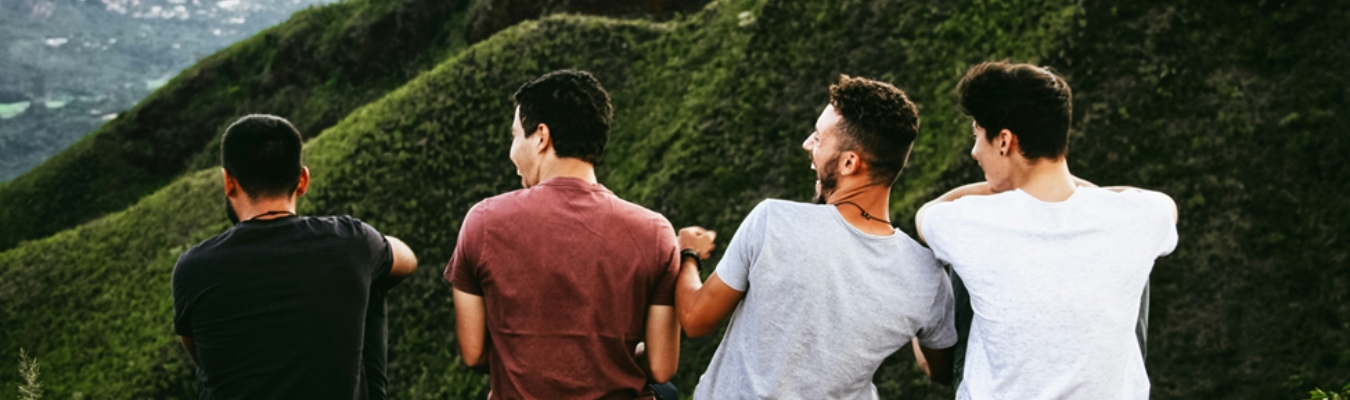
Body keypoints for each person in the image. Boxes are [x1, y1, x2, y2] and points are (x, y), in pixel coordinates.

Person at [676, 75, 957, 399]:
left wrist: (689, 255)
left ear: (850, 162)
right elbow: (942, 371)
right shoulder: (927, 277)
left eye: (819, 138)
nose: (807, 144)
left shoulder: (773, 222)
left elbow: (694, 319)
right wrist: (908, 311)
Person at [915, 61, 1178, 399]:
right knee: (1132, 264)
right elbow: (1165, 206)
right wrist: (1078, 188)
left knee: (943, 268)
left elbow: (927, 216)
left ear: (1005, 141)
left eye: (977, 135)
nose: (974, 152)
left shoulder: (972, 221)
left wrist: (996, 188)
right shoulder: (1133, 217)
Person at [446, 70, 681, 399]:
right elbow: (661, 366)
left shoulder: (483, 222)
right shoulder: (655, 232)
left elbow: (474, 353)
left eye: (516, 136)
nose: (512, 152)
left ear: (541, 136)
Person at [171, 114, 419, 399]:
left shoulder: (193, 268)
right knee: (374, 278)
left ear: (229, 182)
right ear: (303, 180)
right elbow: (407, 260)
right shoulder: (350, 241)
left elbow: (202, 358)